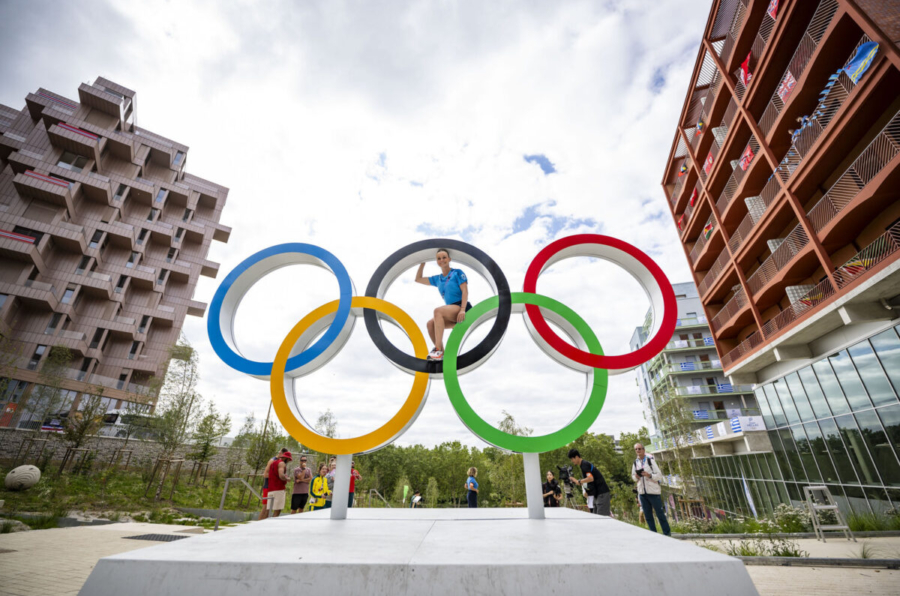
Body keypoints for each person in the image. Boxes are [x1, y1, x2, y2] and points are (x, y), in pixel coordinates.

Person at [414, 248, 472, 361]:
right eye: (439, 258)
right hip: (451, 312)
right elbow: (418, 279)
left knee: (438, 311)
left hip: (462, 308)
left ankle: (437, 350)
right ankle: (443, 355)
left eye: (444, 257)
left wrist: (463, 309)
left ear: (449, 259)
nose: (442, 260)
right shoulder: (438, 279)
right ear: (436, 261)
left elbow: (465, 291)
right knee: (430, 324)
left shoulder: (457, 272)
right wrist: (423, 262)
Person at [632, 443, 671, 536]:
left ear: (644, 450)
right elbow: (633, 476)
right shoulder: (635, 462)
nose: (638, 451)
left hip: (653, 492)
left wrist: (649, 475)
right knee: (648, 515)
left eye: (640, 449)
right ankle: (653, 534)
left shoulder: (650, 461)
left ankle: (667, 533)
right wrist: (636, 476)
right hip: (642, 492)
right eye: (636, 449)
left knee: (660, 513)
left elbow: (659, 476)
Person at [568, 449, 611, 516]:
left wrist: (579, 481)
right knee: (595, 517)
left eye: (572, 459)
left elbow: (591, 478)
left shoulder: (584, 465)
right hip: (597, 495)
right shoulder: (583, 465)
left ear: (576, 457)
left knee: (602, 519)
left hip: (602, 493)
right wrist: (577, 481)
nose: (572, 461)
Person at [259, 448, 288, 520]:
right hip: (268, 486)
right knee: (266, 508)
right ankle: (258, 524)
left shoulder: (280, 462)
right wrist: (276, 478)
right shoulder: (273, 460)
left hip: (275, 487)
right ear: (280, 453)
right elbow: (265, 474)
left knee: (272, 508)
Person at [266, 451, 292, 518]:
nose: (289, 461)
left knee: (269, 510)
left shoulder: (273, 463)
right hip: (278, 488)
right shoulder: (282, 463)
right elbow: (281, 475)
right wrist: (287, 478)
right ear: (286, 458)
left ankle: (267, 525)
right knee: (277, 510)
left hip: (270, 488)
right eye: (289, 459)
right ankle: (273, 525)